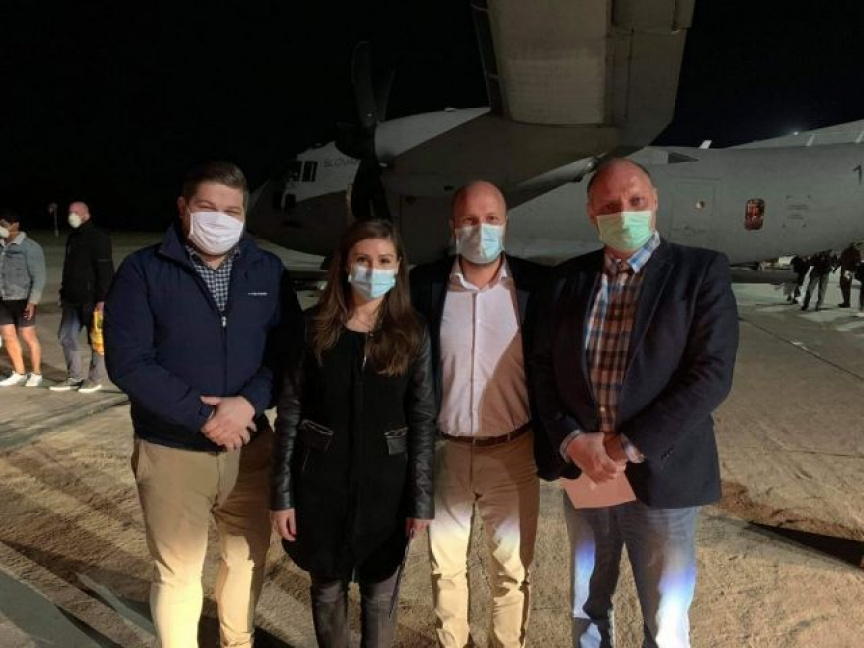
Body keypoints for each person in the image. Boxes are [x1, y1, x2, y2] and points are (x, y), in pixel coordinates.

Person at [530, 159, 739, 648]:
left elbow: (711, 374)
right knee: (586, 605)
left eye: (636, 201)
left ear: (655, 201)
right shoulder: (565, 281)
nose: (623, 213)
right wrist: (570, 439)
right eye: (609, 205)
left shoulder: (699, 272)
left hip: (661, 473)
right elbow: (541, 369)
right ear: (591, 214)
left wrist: (625, 445)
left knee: (665, 618)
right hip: (586, 474)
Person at [104, 161, 301, 648]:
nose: (220, 219)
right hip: (172, 450)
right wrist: (204, 415)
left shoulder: (267, 270)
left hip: (250, 447)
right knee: (178, 573)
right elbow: (128, 362)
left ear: (245, 214)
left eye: (232, 211)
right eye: (207, 207)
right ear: (183, 208)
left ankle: (239, 642)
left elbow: (286, 353)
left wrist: (249, 403)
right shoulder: (144, 271)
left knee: (246, 560)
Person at [271, 219, 435, 648]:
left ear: (398, 267)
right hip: (320, 485)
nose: (373, 269)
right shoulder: (313, 328)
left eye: (384, 260)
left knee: (380, 594)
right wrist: (282, 494)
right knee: (327, 588)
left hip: (387, 488)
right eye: (363, 259)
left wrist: (420, 499)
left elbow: (422, 419)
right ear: (345, 264)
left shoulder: (412, 332)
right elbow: (290, 412)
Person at [410, 181, 556, 648]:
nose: (481, 229)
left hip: (513, 452)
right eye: (470, 220)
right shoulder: (427, 285)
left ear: (506, 224)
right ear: (453, 226)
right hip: (446, 452)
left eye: (491, 219)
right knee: (445, 569)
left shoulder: (534, 287)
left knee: (512, 571)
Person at [49, 201, 114, 393]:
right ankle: (74, 377)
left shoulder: (99, 237)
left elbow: (105, 270)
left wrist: (103, 299)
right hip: (71, 300)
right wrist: (63, 292)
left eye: (76, 212)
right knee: (65, 336)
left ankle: (94, 379)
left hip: (92, 300)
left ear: (86, 214)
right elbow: (68, 268)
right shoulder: (73, 237)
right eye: (70, 212)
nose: (72, 216)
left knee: (96, 340)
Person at [0, 209, 46, 387]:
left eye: (3, 224)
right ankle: (19, 372)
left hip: (23, 300)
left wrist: (33, 301)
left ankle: (36, 373)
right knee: (8, 336)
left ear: (15, 225)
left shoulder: (30, 247)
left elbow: (39, 276)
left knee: (28, 336)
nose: (1, 227)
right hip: (3, 298)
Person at [836, 243, 861, 308]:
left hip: (847, 271)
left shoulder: (847, 251)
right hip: (848, 271)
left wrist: (836, 267)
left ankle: (846, 302)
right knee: (845, 286)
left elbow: (840, 260)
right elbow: (857, 263)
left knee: (845, 286)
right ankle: (846, 302)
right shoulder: (854, 252)